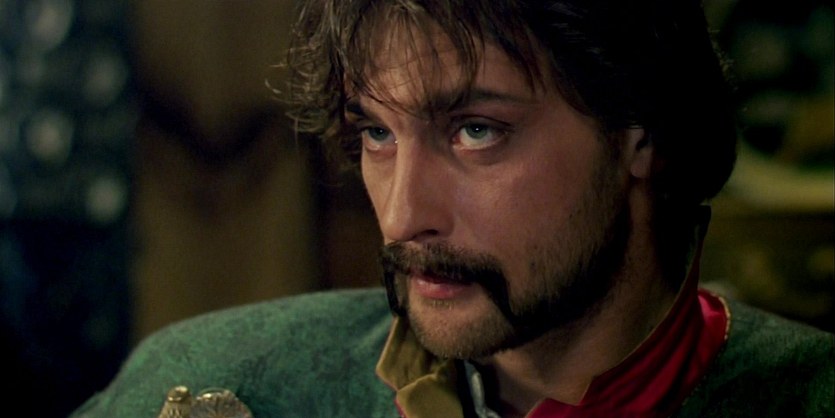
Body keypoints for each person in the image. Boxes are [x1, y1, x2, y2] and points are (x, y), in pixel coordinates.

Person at [71, 1, 834, 417]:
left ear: (641, 132)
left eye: (475, 132)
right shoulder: (218, 385)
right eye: (376, 133)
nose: (404, 216)